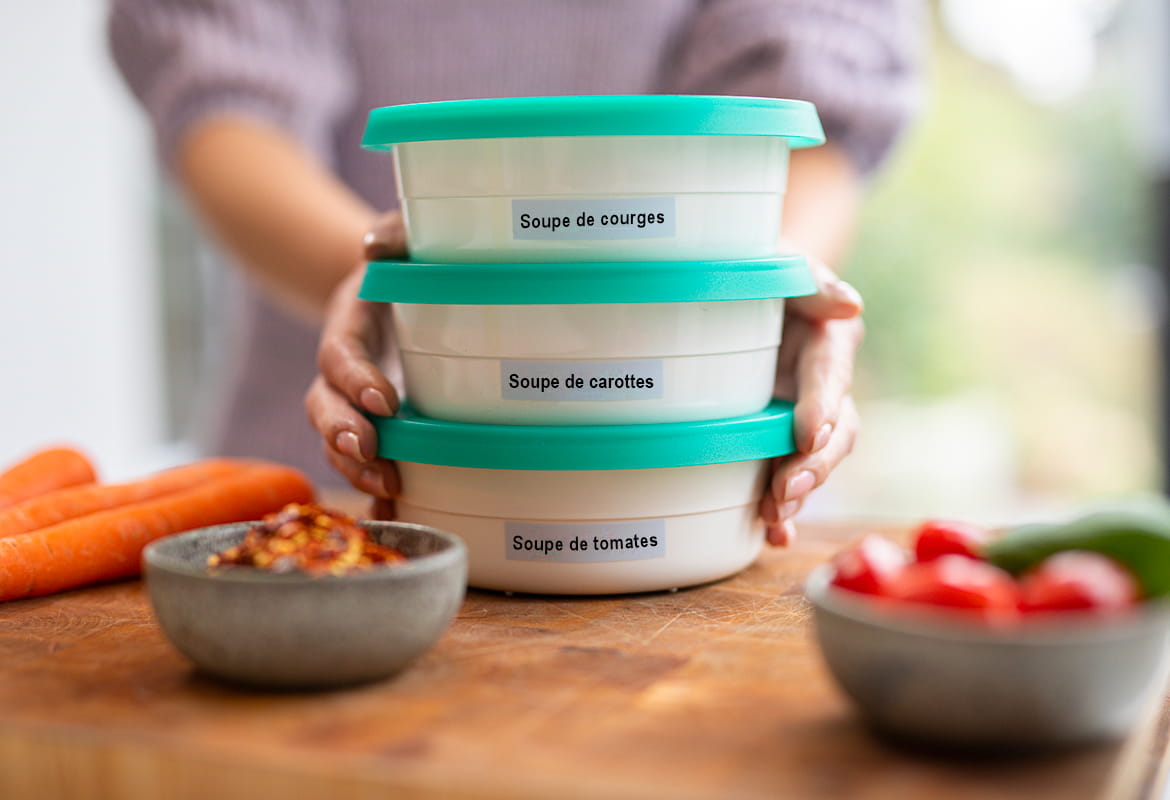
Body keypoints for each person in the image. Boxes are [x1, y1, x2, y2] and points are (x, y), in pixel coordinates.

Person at [108, 0, 923, 545]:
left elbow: (811, 94)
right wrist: (383, 283)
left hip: (706, 486)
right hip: (340, 481)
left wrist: (766, 295)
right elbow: (222, 88)